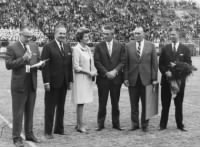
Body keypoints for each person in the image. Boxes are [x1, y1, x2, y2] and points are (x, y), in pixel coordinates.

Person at [5, 26, 41, 147]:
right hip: (19, 85)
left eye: (30, 36)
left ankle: (29, 133)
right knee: (18, 113)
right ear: (20, 34)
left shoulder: (34, 46)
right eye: (26, 36)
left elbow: (37, 60)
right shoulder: (12, 47)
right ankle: (16, 138)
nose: (28, 38)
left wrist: (41, 65)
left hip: (32, 83)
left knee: (30, 111)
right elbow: (8, 65)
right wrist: (23, 59)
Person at [41, 24, 73, 139]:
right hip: (52, 83)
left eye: (64, 33)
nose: (62, 35)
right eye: (60, 33)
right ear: (55, 34)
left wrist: (70, 80)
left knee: (61, 107)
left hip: (64, 82)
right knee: (50, 108)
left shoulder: (67, 46)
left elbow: (69, 66)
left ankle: (59, 129)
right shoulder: (48, 47)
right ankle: (48, 131)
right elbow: (45, 66)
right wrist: (46, 82)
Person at [124, 26, 158, 132]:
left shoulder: (151, 45)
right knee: (133, 104)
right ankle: (134, 124)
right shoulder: (128, 46)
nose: (136, 35)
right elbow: (126, 64)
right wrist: (125, 78)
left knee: (146, 104)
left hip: (147, 79)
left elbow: (154, 64)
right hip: (133, 79)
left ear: (143, 34)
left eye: (138, 33)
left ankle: (145, 125)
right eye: (135, 33)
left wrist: (154, 78)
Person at [94, 25, 126, 131]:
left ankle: (116, 124)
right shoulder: (98, 46)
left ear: (113, 34)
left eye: (107, 34)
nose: (105, 36)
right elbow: (97, 62)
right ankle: (100, 124)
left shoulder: (120, 45)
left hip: (116, 79)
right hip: (103, 79)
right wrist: (106, 73)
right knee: (102, 103)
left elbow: (123, 61)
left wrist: (115, 71)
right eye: (104, 33)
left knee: (115, 103)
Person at [159, 28, 192, 132]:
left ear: (178, 35)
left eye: (173, 34)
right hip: (166, 81)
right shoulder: (165, 48)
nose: (171, 36)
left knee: (178, 104)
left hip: (179, 82)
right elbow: (161, 64)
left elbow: (188, 66)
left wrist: (177, 67)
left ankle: (180, 125)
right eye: (170, 34)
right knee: (165, 104)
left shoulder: (185, 49)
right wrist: (165, 72)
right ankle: (163, 125)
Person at [71, 27, 97, 133]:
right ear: (80, 38)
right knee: (80, 102)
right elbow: (76, 67)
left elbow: (91, 63)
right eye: (85, 36)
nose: (88, 38)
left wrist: (94, 71)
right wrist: (88, 72)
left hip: (87, 79)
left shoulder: (87, 48)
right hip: (80, 79)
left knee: (83, 102)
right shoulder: (76, 49)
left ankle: (79, 124)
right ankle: (80, 125)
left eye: (88, 36)